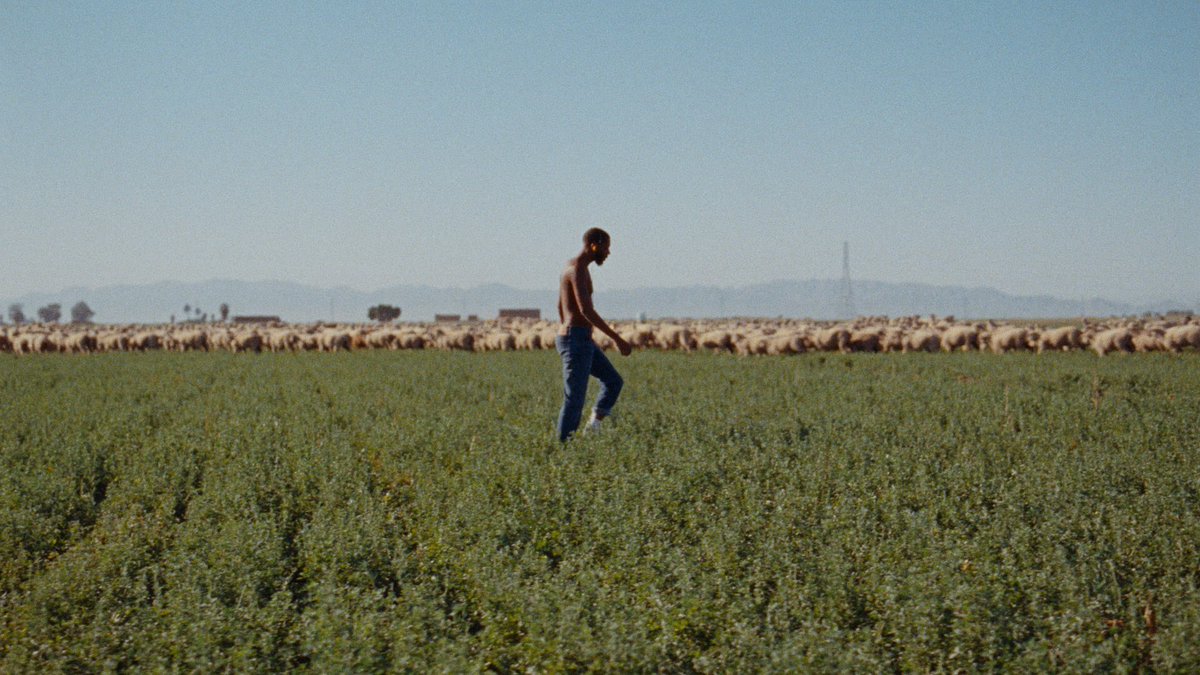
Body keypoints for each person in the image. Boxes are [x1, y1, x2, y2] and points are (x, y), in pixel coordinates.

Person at [555, 228, 632, 441]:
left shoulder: (573, 267)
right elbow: (586, 310)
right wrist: (616, 338)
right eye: (606, 247)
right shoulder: (576, 269)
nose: (608, 253)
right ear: (594, 245)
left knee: (613, 381)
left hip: (579, 338)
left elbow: (560, 305)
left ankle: (593, 426)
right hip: (575, 340)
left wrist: (574, 329)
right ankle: (563, 450)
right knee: (574, 400)